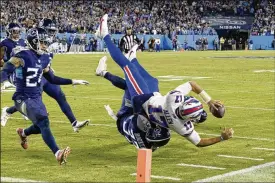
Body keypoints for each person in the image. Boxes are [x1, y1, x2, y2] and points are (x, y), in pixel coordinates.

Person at [95, 14, 234, 148]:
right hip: (152, 103)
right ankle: (132, 58)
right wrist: (221, 138)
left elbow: (192, 84)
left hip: (143, 100)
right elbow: (200, 142)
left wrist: (208, 101)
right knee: (152, 80)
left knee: (126, 66)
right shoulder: (181, 126)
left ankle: (105, 35)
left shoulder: (174, 98)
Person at [1, 27, 89, 164]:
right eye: (42, 42)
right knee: (44, 121)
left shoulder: (44, 58)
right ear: (34, 41)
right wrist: (3, 81)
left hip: (36, 98)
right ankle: (58, 153)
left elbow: (52, 79)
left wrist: (72, 81)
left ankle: (23, 133)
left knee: (40, 125)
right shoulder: (21, 56)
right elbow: (6, 69)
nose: (45, 45)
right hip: (22, 98)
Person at [95, 47, 170, 151]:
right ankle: (126, 63)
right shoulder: (148, 142)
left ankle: (104, 72)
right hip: (129, 124)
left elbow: (138, 102)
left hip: (125, 116)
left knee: (130, 86)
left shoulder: (139, 125)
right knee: (142, 85)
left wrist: (155, 97)